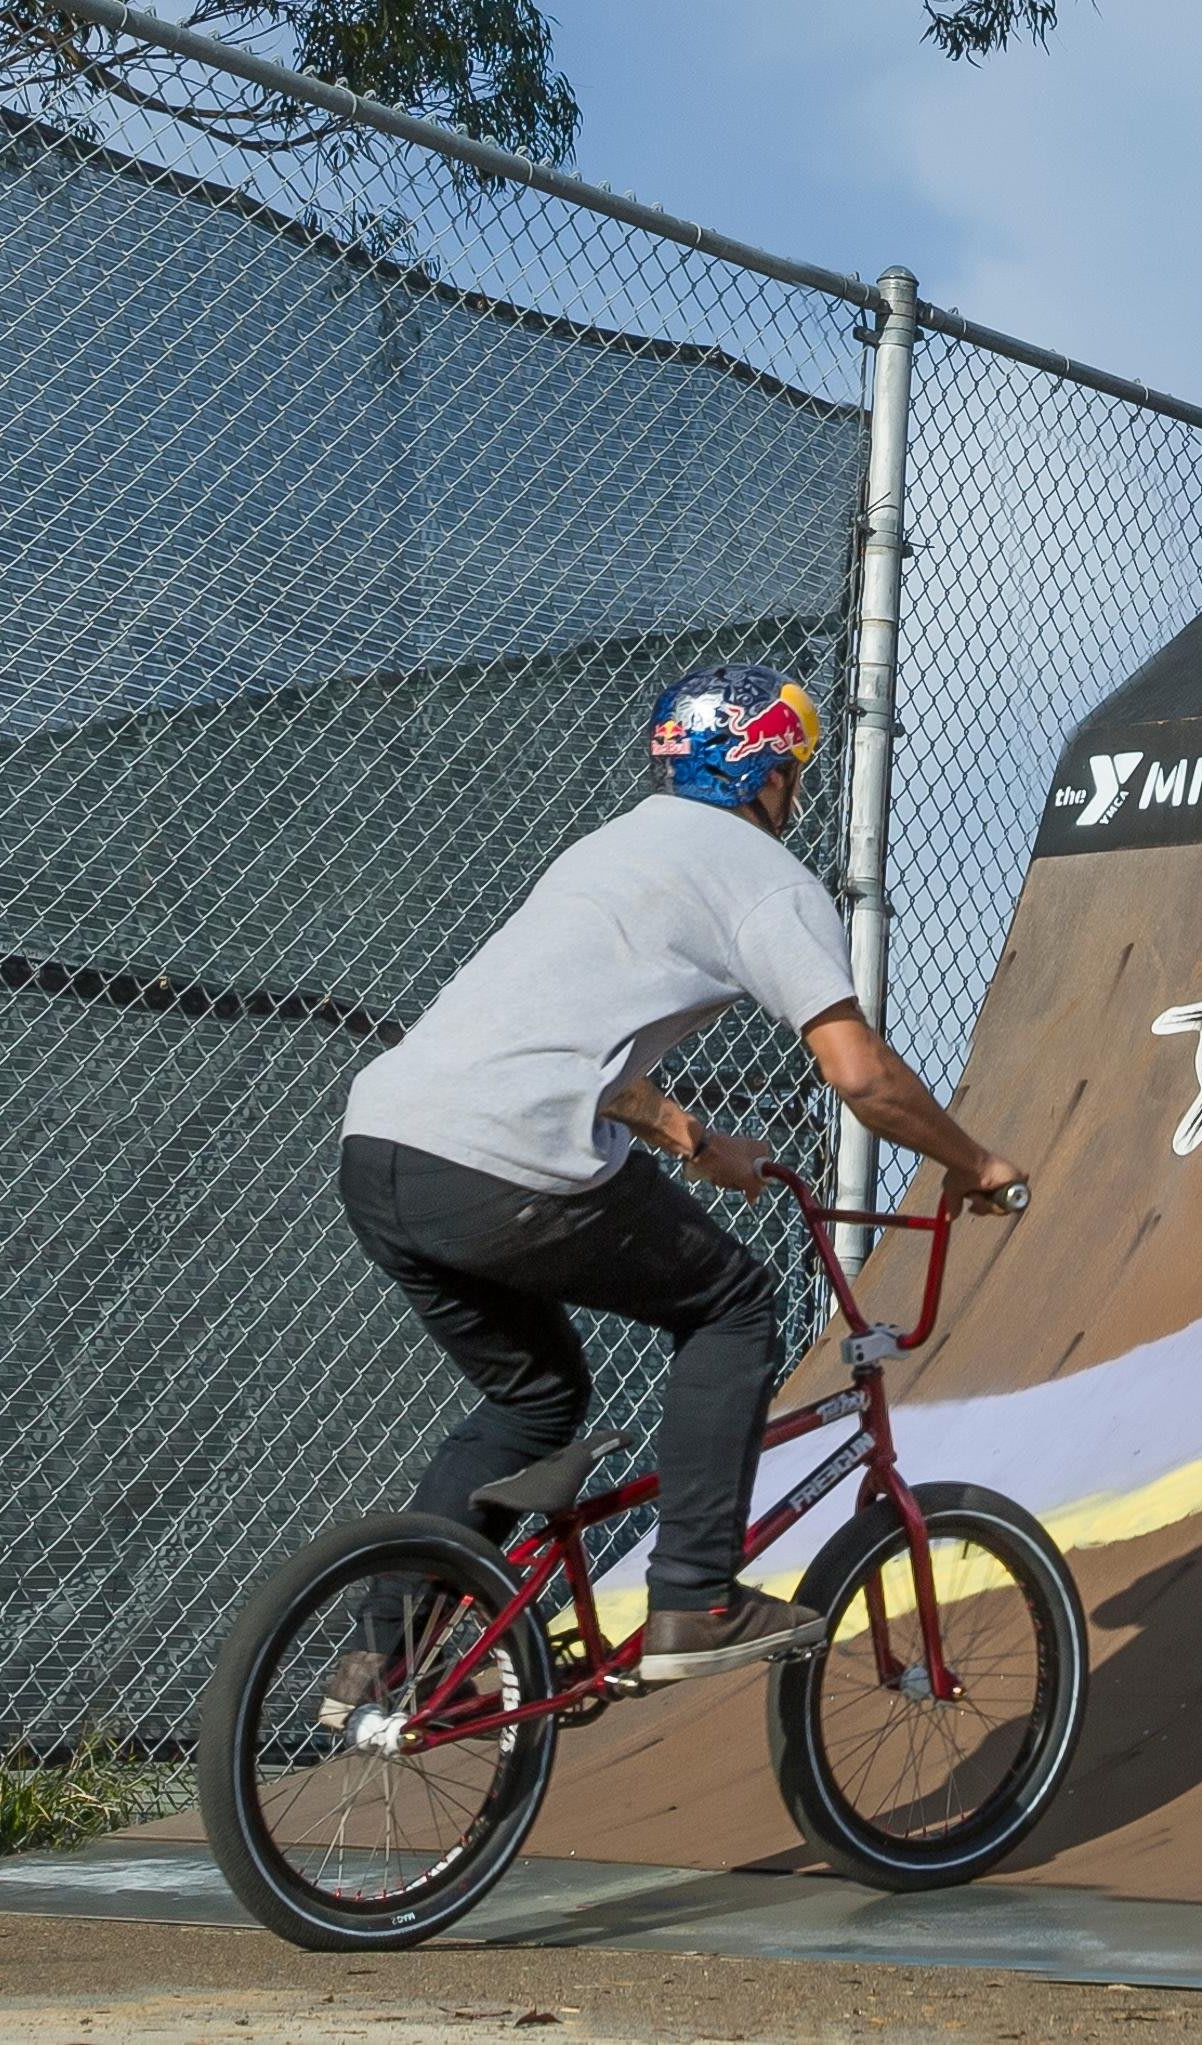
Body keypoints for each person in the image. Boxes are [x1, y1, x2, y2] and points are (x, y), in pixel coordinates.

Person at [336, 668, 1024, 1680]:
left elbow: (586, 1058)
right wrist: (973, 1160)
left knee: (531, 1401)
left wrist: (695, 1144)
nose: (794, 793)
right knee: (734, 1304)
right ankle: (693, 1598)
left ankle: (383, 1658)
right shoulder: (766, 880)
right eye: (792, 771)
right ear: (763, 773)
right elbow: (857, 1074)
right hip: (509, 1152)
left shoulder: (609, 849)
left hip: (382, 1146)